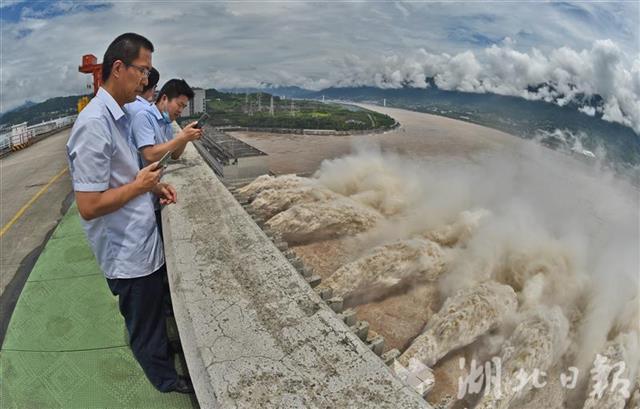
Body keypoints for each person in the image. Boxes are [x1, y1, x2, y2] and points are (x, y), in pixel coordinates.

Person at [65, 33, 193, 394]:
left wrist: (149, 186)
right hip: (126, 250)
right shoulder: (93, 124)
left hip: (138, 241)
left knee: (151, 313)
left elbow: (122, 176)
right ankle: (165, 379)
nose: (147, 80)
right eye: (143, 70)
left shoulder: (117, 115)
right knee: (144, 321)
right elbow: (88, 205)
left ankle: (160, 357)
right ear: (118, 68)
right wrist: (139, 187)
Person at [131, 79, 203, 235]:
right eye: (179, 105)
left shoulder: (166, 123)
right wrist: (182, 137)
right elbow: (149, 154)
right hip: (142, 198)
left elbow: (175, 155)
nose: (180, 110)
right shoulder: (144, 117)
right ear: (164, 98)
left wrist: (185, 138)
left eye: (184, 107)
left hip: (155, 191)